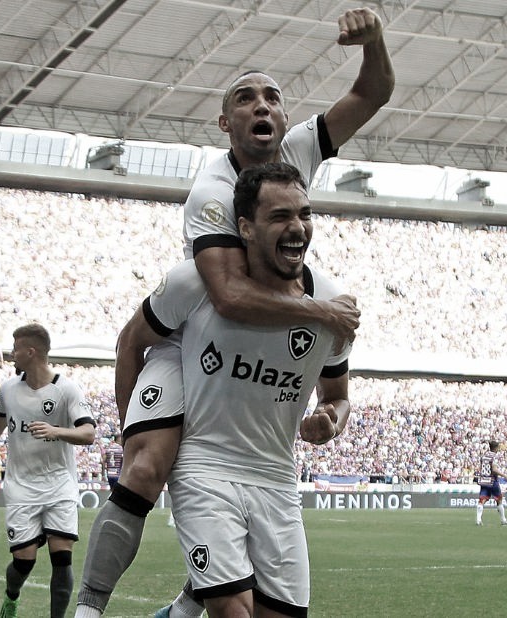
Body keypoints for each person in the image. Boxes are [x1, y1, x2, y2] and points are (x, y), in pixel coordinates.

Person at [77, 8, 393, 618]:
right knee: (148, 467)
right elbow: (228, 296)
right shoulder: (212, 194)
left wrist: (375, 40)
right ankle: (89, 608)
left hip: (258, 403)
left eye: (273, 97)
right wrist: (319, 311)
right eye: (245, 98)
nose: (263, 107)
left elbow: (372, 90)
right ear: (226, 123)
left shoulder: (298, 152)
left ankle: (190, 599)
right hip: (189, 335)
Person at [118, 162, 352, 617]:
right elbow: (131, 341)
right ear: (244, 226)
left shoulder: (332, 302)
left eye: (304, 214)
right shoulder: (196, 284)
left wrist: (331, 420)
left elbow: (338, 394)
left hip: (278, 480)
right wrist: (133, 436)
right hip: (205, 467)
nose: (297, 227)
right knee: (233, 611)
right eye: (280, 216)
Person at [0, 324, 97, 618]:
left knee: (62, 558)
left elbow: (87, 433)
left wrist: (55, 430)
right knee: (24, 562)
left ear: (30, 352)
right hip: (21, 487)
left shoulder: (66, 389)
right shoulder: (8, 389)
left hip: (59, 485)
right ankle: (11, 597)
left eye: (15, 348)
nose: (11, 353)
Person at [474, 440, 507, 526]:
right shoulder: (494, 456)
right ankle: (503, 520)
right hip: (492, 480)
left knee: (482, 499)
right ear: (496, 448)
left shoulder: (484, 456)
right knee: (499, 499)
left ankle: (478, 519)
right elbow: (494, 469)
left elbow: (480, 467)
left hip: (484, 480)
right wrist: (505, 476)